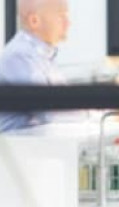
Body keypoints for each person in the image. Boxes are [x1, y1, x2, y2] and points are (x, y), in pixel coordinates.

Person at [0, 0, 70, 133]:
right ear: (34, 21)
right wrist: (99, 113)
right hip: (20, 149)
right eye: (61, 16)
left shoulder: (45, 56)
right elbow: (51, 112)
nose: (68, 23)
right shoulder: (19, 56)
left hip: (37, 145)